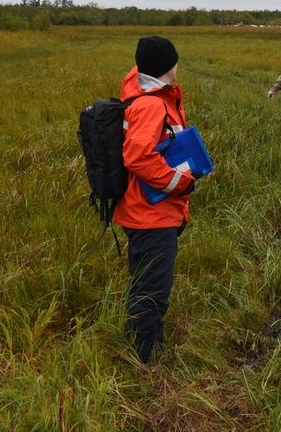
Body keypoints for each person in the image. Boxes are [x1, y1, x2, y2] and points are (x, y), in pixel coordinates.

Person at [114, 35, 197, 363]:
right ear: (168, 67)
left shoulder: (149, 92)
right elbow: (137, 156)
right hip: (151, 214)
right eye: (175, 61)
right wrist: (180, 184)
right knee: (153, 291)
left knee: (146, 281)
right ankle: (143, 358)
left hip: (147, 210)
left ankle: (147, 342)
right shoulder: (150, 104)